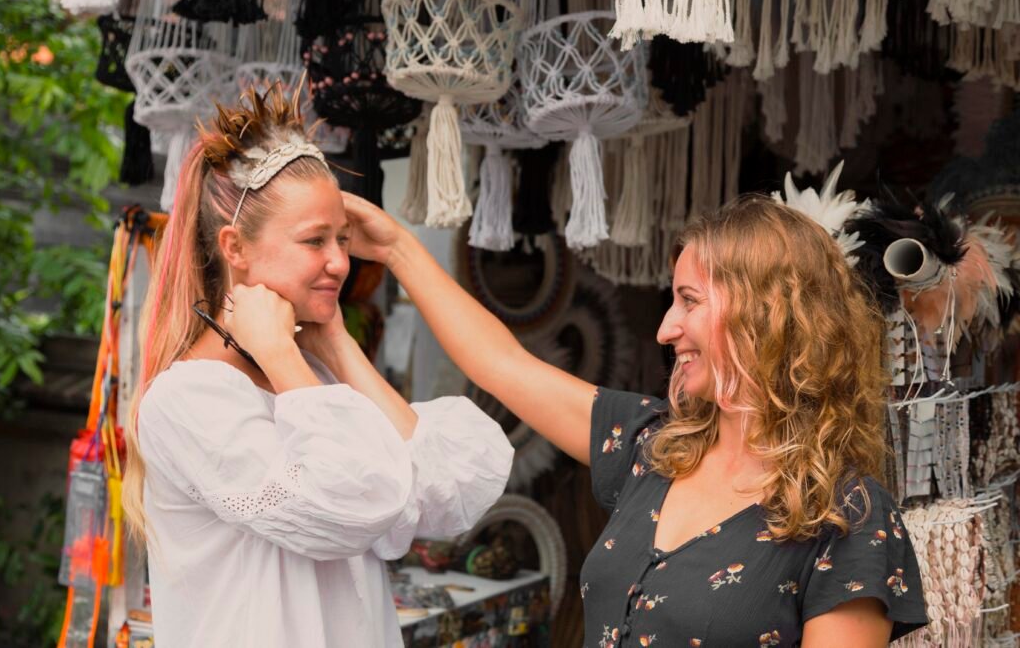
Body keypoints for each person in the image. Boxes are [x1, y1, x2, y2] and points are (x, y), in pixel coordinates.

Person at [341, 193, 929, 646]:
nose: (666, 329)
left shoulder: (846, 516)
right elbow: (502, 364)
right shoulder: (655, 447)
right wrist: (396, 248)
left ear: (766, 314)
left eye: (689, 301)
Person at [120, 84, 514, 647]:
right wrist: (283, 354)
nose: (340, 262)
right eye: (314, 241)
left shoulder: (314, 380)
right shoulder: (187, 401)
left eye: (343, 239)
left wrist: (335, 344)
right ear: (235, 248)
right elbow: (352, 504)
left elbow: (446, 494)